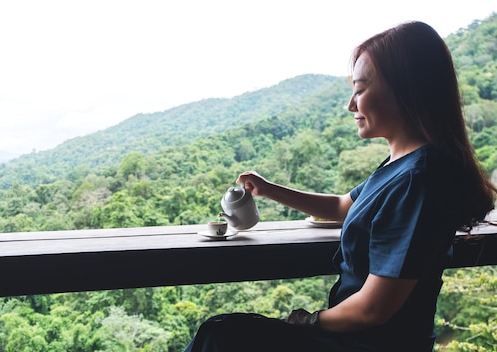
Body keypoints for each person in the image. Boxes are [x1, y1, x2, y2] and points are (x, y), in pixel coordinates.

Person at [184, 20, 497, 352]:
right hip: (352, 339)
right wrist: (269, 188)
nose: (351, 105)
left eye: (360, 90)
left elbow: (373, 308)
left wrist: (309, 321)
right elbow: (341, 207)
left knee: (220, 337)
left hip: (367, 345)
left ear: (406, 90)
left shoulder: (417, 180)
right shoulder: (401, 167)